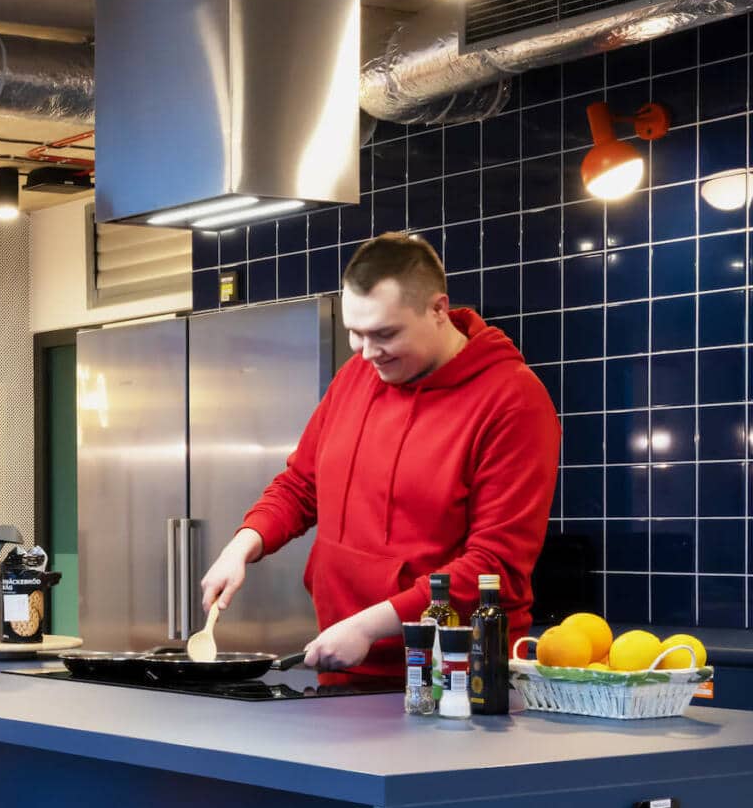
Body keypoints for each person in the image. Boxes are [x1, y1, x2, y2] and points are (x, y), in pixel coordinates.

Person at [200, 232, 561, 679]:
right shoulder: (359, 374)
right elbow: (302, 484)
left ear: (437, 309)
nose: (367, 353)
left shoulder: (513, 401)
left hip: (453, 678)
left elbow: (494, 566)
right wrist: (242, 546)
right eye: (355, 333)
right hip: (343, 662)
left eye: (384, 334)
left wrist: (370, 625)